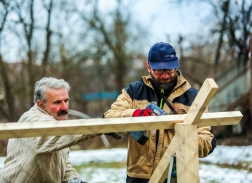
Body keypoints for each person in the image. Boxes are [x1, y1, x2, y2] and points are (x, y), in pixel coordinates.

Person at [103, 42, 216, 183]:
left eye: (169, 70)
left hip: (177, 175)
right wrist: (137, 114)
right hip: (139, 176)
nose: (165, 76)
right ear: (148, 67)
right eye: (159, 71)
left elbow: (208, 144)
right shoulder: (133, 91)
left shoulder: (194, 98)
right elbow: (108, 118)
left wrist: (182, 132)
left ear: (176, 66)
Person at [0, 77, 98, 183]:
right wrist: (97, 128)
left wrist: (72, 179)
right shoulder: (32, 119)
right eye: (58, 102)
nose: (65, 107)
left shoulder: (57, 124)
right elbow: (52, 136)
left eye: (66, 101)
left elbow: (60, 162)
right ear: (41, 105)